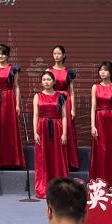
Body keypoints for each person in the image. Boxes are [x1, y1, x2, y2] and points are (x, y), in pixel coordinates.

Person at [0, 44, 24, 169]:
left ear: (7, 55)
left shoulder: (13, 69)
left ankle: (11, 160)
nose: (0, 56)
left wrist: (17, 104)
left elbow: (16, 86)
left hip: (9, 98)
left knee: (9, 129)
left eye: (3, 54)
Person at [89, 61, 112, 186]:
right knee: (101, 150)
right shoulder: (95, 87)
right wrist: (92, 125)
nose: (102, 72)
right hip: (99, 119)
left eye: (105, 70)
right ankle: (100, 181)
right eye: (100, 70)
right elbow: (93, 107)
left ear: (111, 72)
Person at [33, 71, 68, 199]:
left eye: (48, 79)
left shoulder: (61, 96)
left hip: (57, 128)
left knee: (58, 158)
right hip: (42, 128)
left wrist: (64, 133)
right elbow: (35, 115)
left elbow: (64, 116)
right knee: (43, 158)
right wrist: (35, 132)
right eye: (44, 80)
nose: (46, 82)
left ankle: (60, 188)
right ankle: (44, 187)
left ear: (53, 82)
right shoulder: (37, 96)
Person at [48, 45, 79, 170]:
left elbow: (72, 91)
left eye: (59, 53)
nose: (56, 56)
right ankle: (56, 161)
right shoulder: (49, 71)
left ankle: (69, 162)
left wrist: (73, 108)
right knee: (55, 129)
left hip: (66, 100)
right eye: (54, 53)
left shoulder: (68, 72)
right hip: (53, 99)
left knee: (67, 130)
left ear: (64, 55)